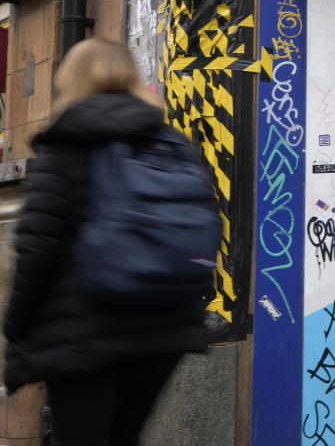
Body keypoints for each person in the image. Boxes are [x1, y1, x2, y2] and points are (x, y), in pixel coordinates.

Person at [2, 38, 212, 445]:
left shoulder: (68, 145)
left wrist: (16, 329)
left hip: (84, 334)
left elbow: (37, 248)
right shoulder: (172, 144)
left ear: (71, 82)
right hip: (163, 328)